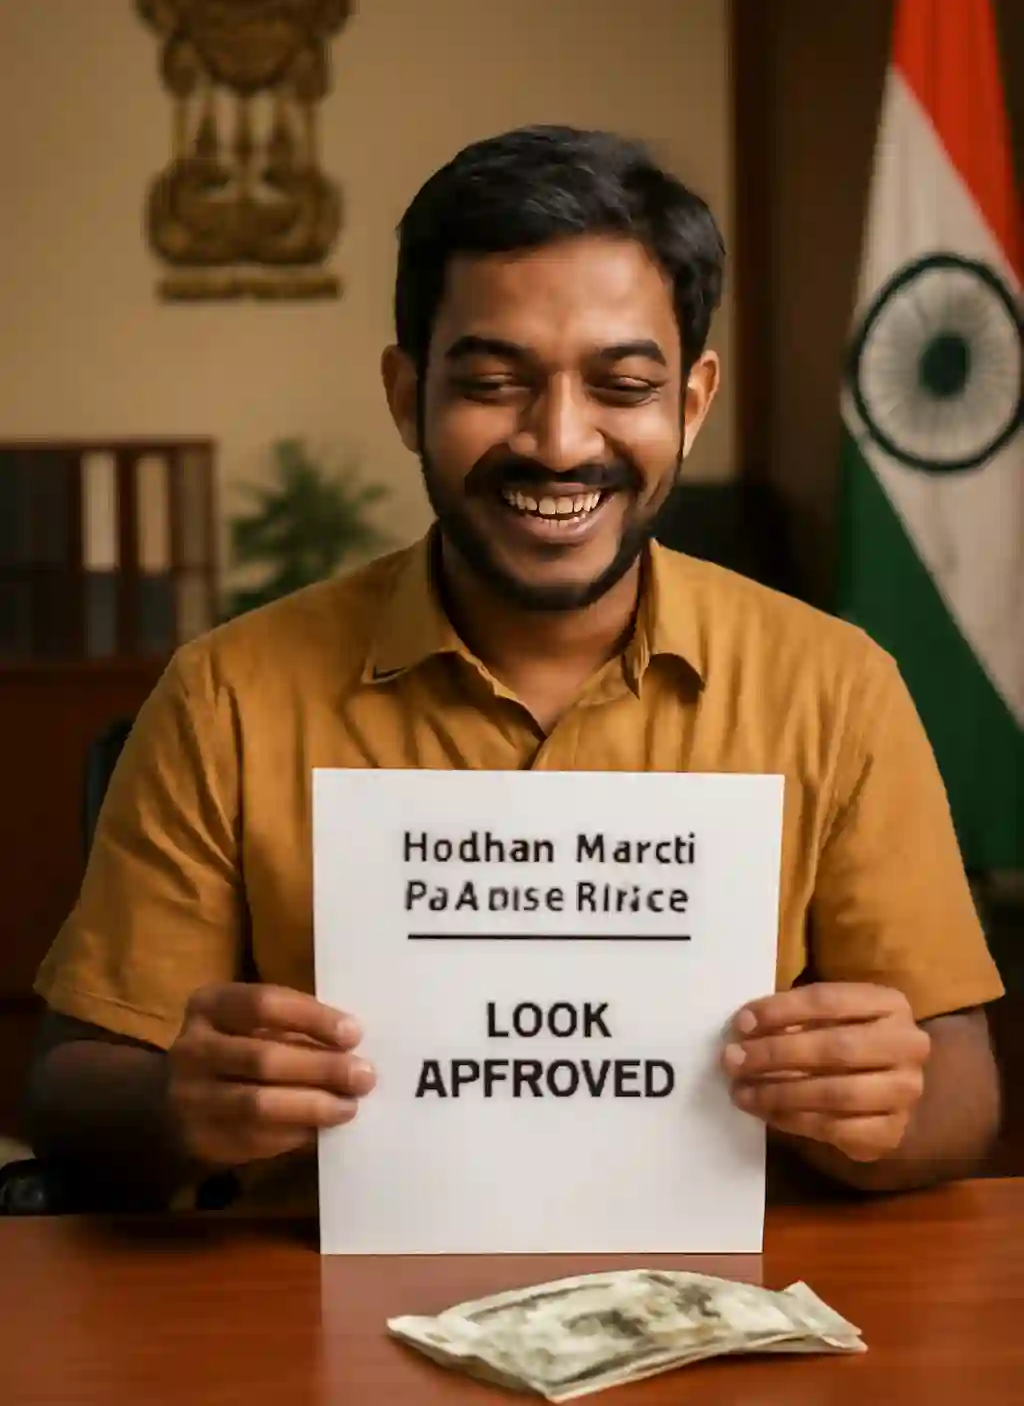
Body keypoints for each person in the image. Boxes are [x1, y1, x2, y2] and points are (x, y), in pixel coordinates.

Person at [28, 125, 1002, 1212]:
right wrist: (175, 1109)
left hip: (719, 1298)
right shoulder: (229, 696)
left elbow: (959, 1086)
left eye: (622, 385)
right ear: (406, 394)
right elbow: (72, 1084)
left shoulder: (834, 688)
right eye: (494, 382)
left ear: (690, 403)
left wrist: (876, 1104)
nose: (559, 442)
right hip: (311, 1299)